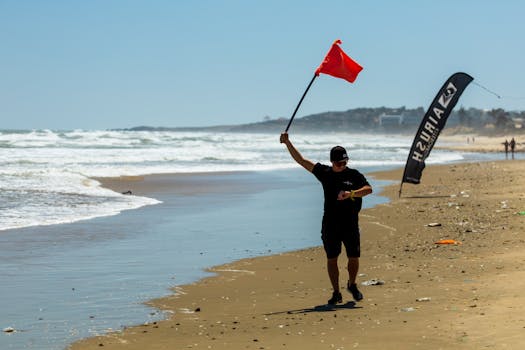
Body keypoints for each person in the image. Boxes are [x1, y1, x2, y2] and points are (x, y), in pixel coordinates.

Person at [280, 132, 373, 305]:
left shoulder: (354, 175)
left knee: (354, 256)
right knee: (332, 258)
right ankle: (336, 292)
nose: (343, 165)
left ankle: (352, 284)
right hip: (330, 224)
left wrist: (351, 193)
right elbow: (302, 161)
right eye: (339, 163)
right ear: (332, 162)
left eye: (345, 162)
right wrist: (287, 143)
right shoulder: (325, 173)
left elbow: (368, 189)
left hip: (350, 223)